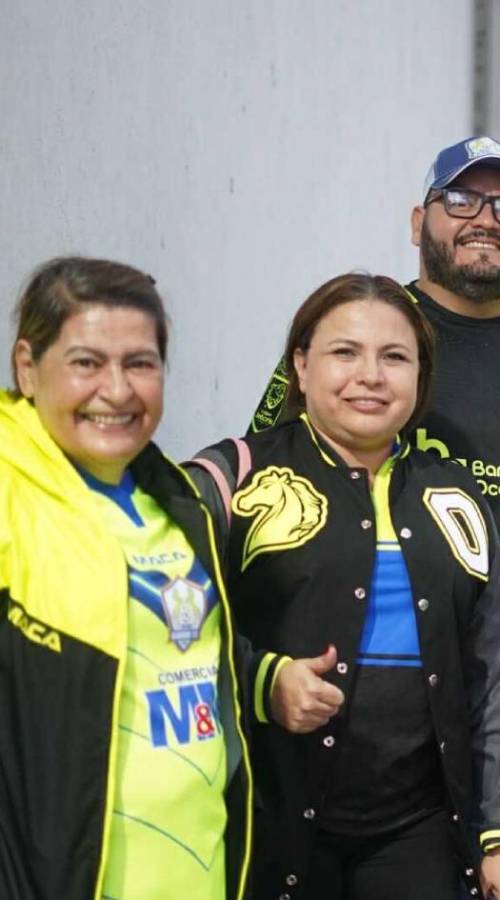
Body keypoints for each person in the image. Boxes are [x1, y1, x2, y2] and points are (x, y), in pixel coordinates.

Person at [248, 136, 500, 822]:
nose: (486, 218)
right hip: (343, 696)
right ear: (419, 222)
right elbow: (261, 480)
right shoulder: (364, 336)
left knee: (498, 873)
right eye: (461, 198)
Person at [188, 273, 500, 900]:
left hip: (419, 832)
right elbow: (161, 623)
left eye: (395, 357)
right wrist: (263, 680)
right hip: (263, 821)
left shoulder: (455, 500)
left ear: (420, 375)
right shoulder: (230, 480)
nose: (370, 376)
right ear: (300, 364)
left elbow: (499, 679)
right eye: (344, 352)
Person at [0, 257, 252, 899]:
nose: (117, 390)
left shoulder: (176, 502)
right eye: (86, 362)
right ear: (26, 367)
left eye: (140, 363)